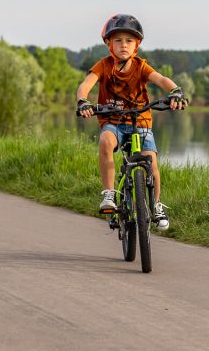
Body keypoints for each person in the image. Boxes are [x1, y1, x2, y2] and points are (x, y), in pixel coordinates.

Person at [75, 14, 187, 231]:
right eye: (118, 40)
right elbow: (86, 84)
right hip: (113, 121)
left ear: (136, 44)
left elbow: (161, 79)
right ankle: (109, 194)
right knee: (106, 142)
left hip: (140, 121)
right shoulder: (104, 65)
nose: (123, 45)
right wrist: (83, 101)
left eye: (129, 40)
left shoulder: (141, 66)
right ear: (109, 44)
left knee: (150, 162)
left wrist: (175, 92)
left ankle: (155, 205)